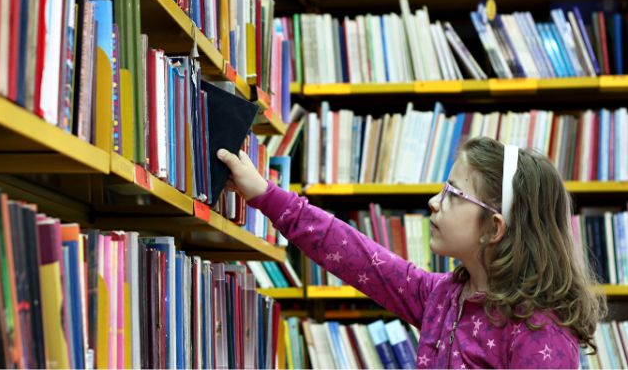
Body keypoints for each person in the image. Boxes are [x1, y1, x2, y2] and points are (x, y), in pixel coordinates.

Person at [217, 136, 606, 369]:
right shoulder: (440, 297)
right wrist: (266, 195)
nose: (434, 203)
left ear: (494, 228)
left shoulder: (540, 330)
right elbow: (355, 254)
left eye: (453, 195)